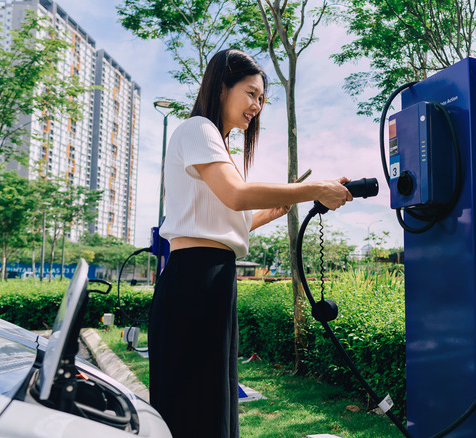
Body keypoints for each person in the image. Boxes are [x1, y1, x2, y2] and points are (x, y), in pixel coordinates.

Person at [149, 48, 353, 438]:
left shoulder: (219, 148)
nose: (257, 105)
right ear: (222, 86)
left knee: (213, 404)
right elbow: (237, 196)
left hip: (212, 279)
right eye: (251, 93)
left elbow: (228, 220)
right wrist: (313, 187)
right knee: (194, 405)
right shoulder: (198, 129)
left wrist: (283, 204)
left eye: (262, 98)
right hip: (194, 281)